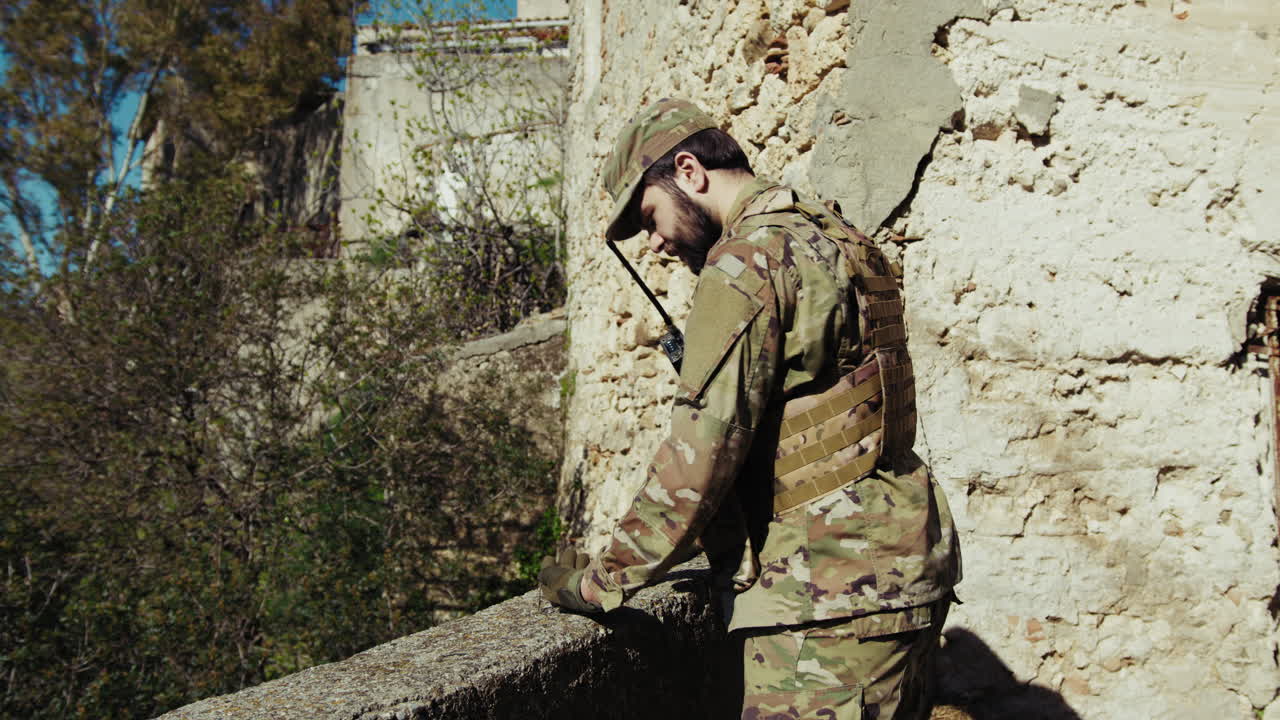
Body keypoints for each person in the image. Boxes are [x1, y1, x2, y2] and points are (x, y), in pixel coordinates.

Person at [538, 98, 961, 720]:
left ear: (689, 171)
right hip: (903, 570)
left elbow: (698, 457)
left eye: (648, 214)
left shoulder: (746, 260)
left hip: (827, 600)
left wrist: (602, 580)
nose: (652, 242)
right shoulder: (840, 237)